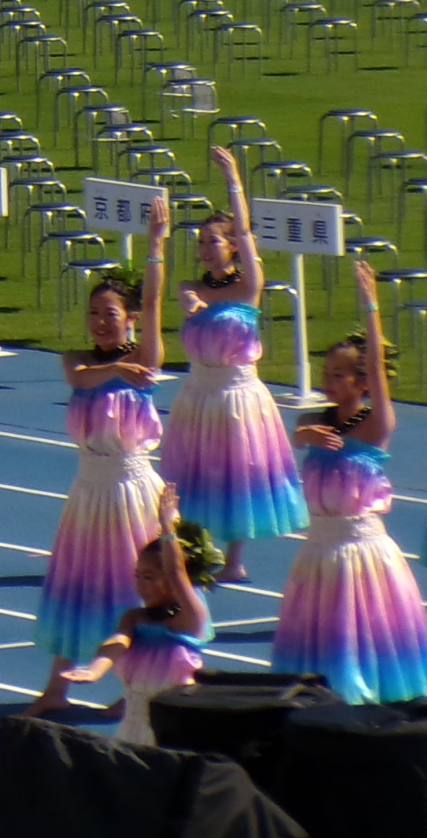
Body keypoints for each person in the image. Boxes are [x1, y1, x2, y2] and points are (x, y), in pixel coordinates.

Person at [30, 201, 169, 711]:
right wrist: (116, 374)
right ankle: (56, 686)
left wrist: (156, 246)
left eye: (110, 315)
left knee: (140, 589)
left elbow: (154, 307)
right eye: (93, 314)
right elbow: (80, 378)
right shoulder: (79, 362)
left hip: (131, 490)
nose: (99, 323)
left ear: (130, 320)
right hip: (89, 492)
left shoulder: (145, 359)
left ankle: (141, 689)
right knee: (77, 585)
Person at [270, 256, 427, 700]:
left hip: (361, 555)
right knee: (318, 643)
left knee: (363, 643)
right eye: (326, 374)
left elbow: (378, 368)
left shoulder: (375, 427)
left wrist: (370, 305)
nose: (330, 381)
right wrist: (302, 435)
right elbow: (292, 442)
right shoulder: (313, 423)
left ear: (360, 383)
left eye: (340, 375)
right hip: (319, 553)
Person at [162, 145, 306, 579]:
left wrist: (234, 182)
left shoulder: (248, 287)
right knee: (195, 473)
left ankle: (236, 560)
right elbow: (186, 300)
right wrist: (190, 300)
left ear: (232, 248)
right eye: (201, 242)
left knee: (237, 474)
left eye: (214, 241)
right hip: (198, 393)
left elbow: (246, 232)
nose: (206, 249)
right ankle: (194, 551)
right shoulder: (191, 286)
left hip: (238, 395)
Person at [55, 490, 216, 746]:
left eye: (150, 577)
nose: (140, 585)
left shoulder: (191, 620)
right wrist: (94, 671)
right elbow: (118, 643)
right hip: (133, 728)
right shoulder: (135, 618)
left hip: (172, 730)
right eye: (137, 575)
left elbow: (176, 572)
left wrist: (167, 528)